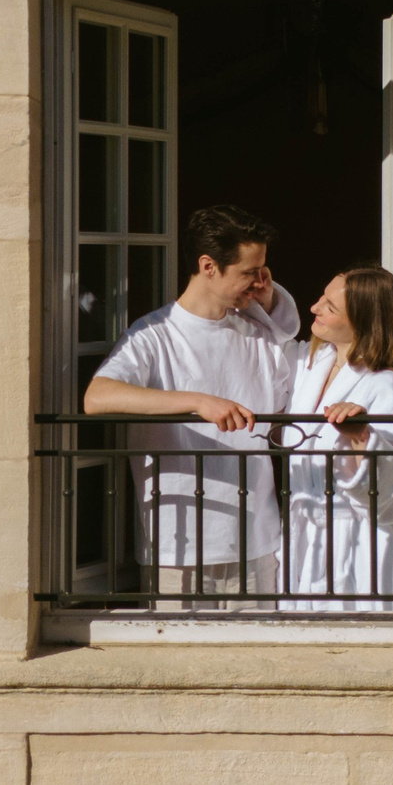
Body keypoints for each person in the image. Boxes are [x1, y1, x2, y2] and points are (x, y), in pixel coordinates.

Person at [83, 204, 297, 596]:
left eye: (262, 271)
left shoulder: (260, 336)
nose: (259, 281)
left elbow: (288, 414)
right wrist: (198, 401)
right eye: (249, 272)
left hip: (258, 545)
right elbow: (97, 397)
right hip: (176, 548)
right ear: (208, 266)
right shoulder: (152, 335)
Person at [282, 264, 393, 606]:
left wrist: (362, 438)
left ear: (363, 323)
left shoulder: (388, 386)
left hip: (365, 551)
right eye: (322, 297)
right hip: (309, 544)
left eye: (330, 307)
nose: (314, 307)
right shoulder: (313, 365)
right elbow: (270, 343)